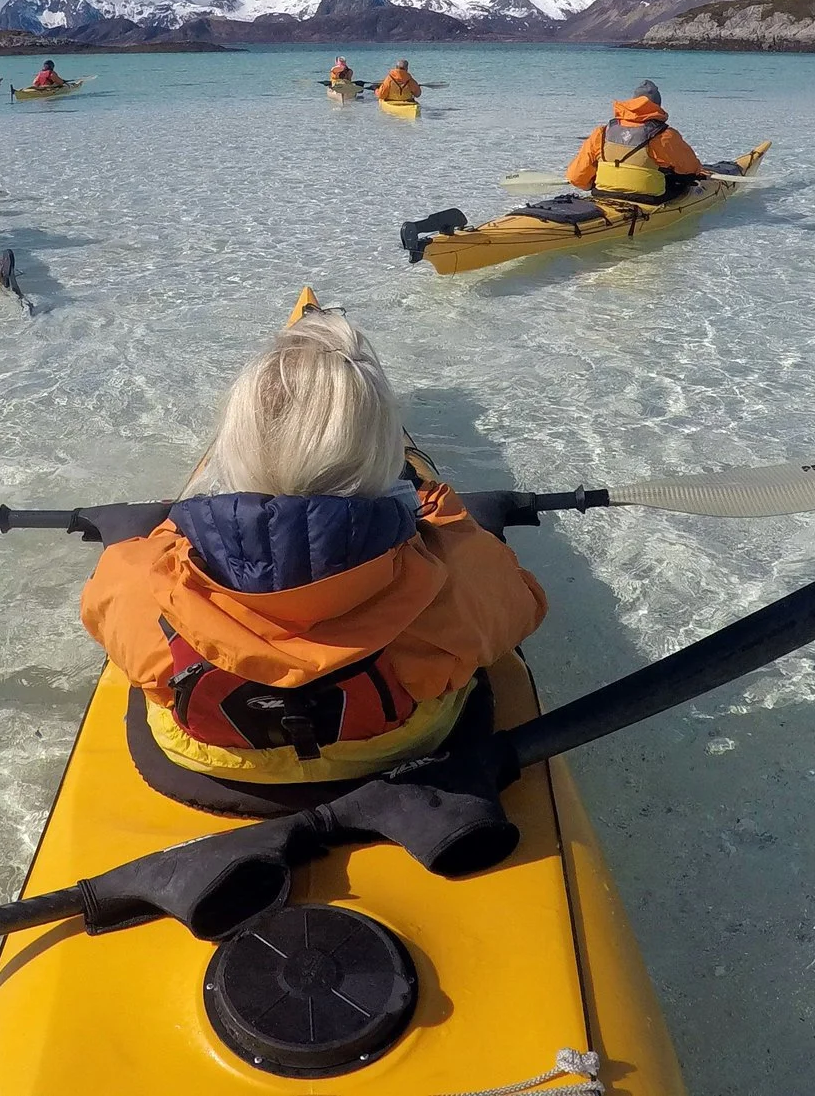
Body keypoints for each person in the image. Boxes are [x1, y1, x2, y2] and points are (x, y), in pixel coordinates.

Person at [80, 305, 546, 804]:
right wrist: (446, 522)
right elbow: (524, 606)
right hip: (394, 746)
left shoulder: (135, 576)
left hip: (214, 760)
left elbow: (105, 622)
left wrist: (165, 533)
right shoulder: (454, 572)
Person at [565, 79, 706, 202]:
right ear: (657, 106)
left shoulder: (602, 132)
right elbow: (690, 169)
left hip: (603, 193)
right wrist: (698, 172)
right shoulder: (664, 135)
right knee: (682, 181)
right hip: (649, 198)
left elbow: (576, 177)